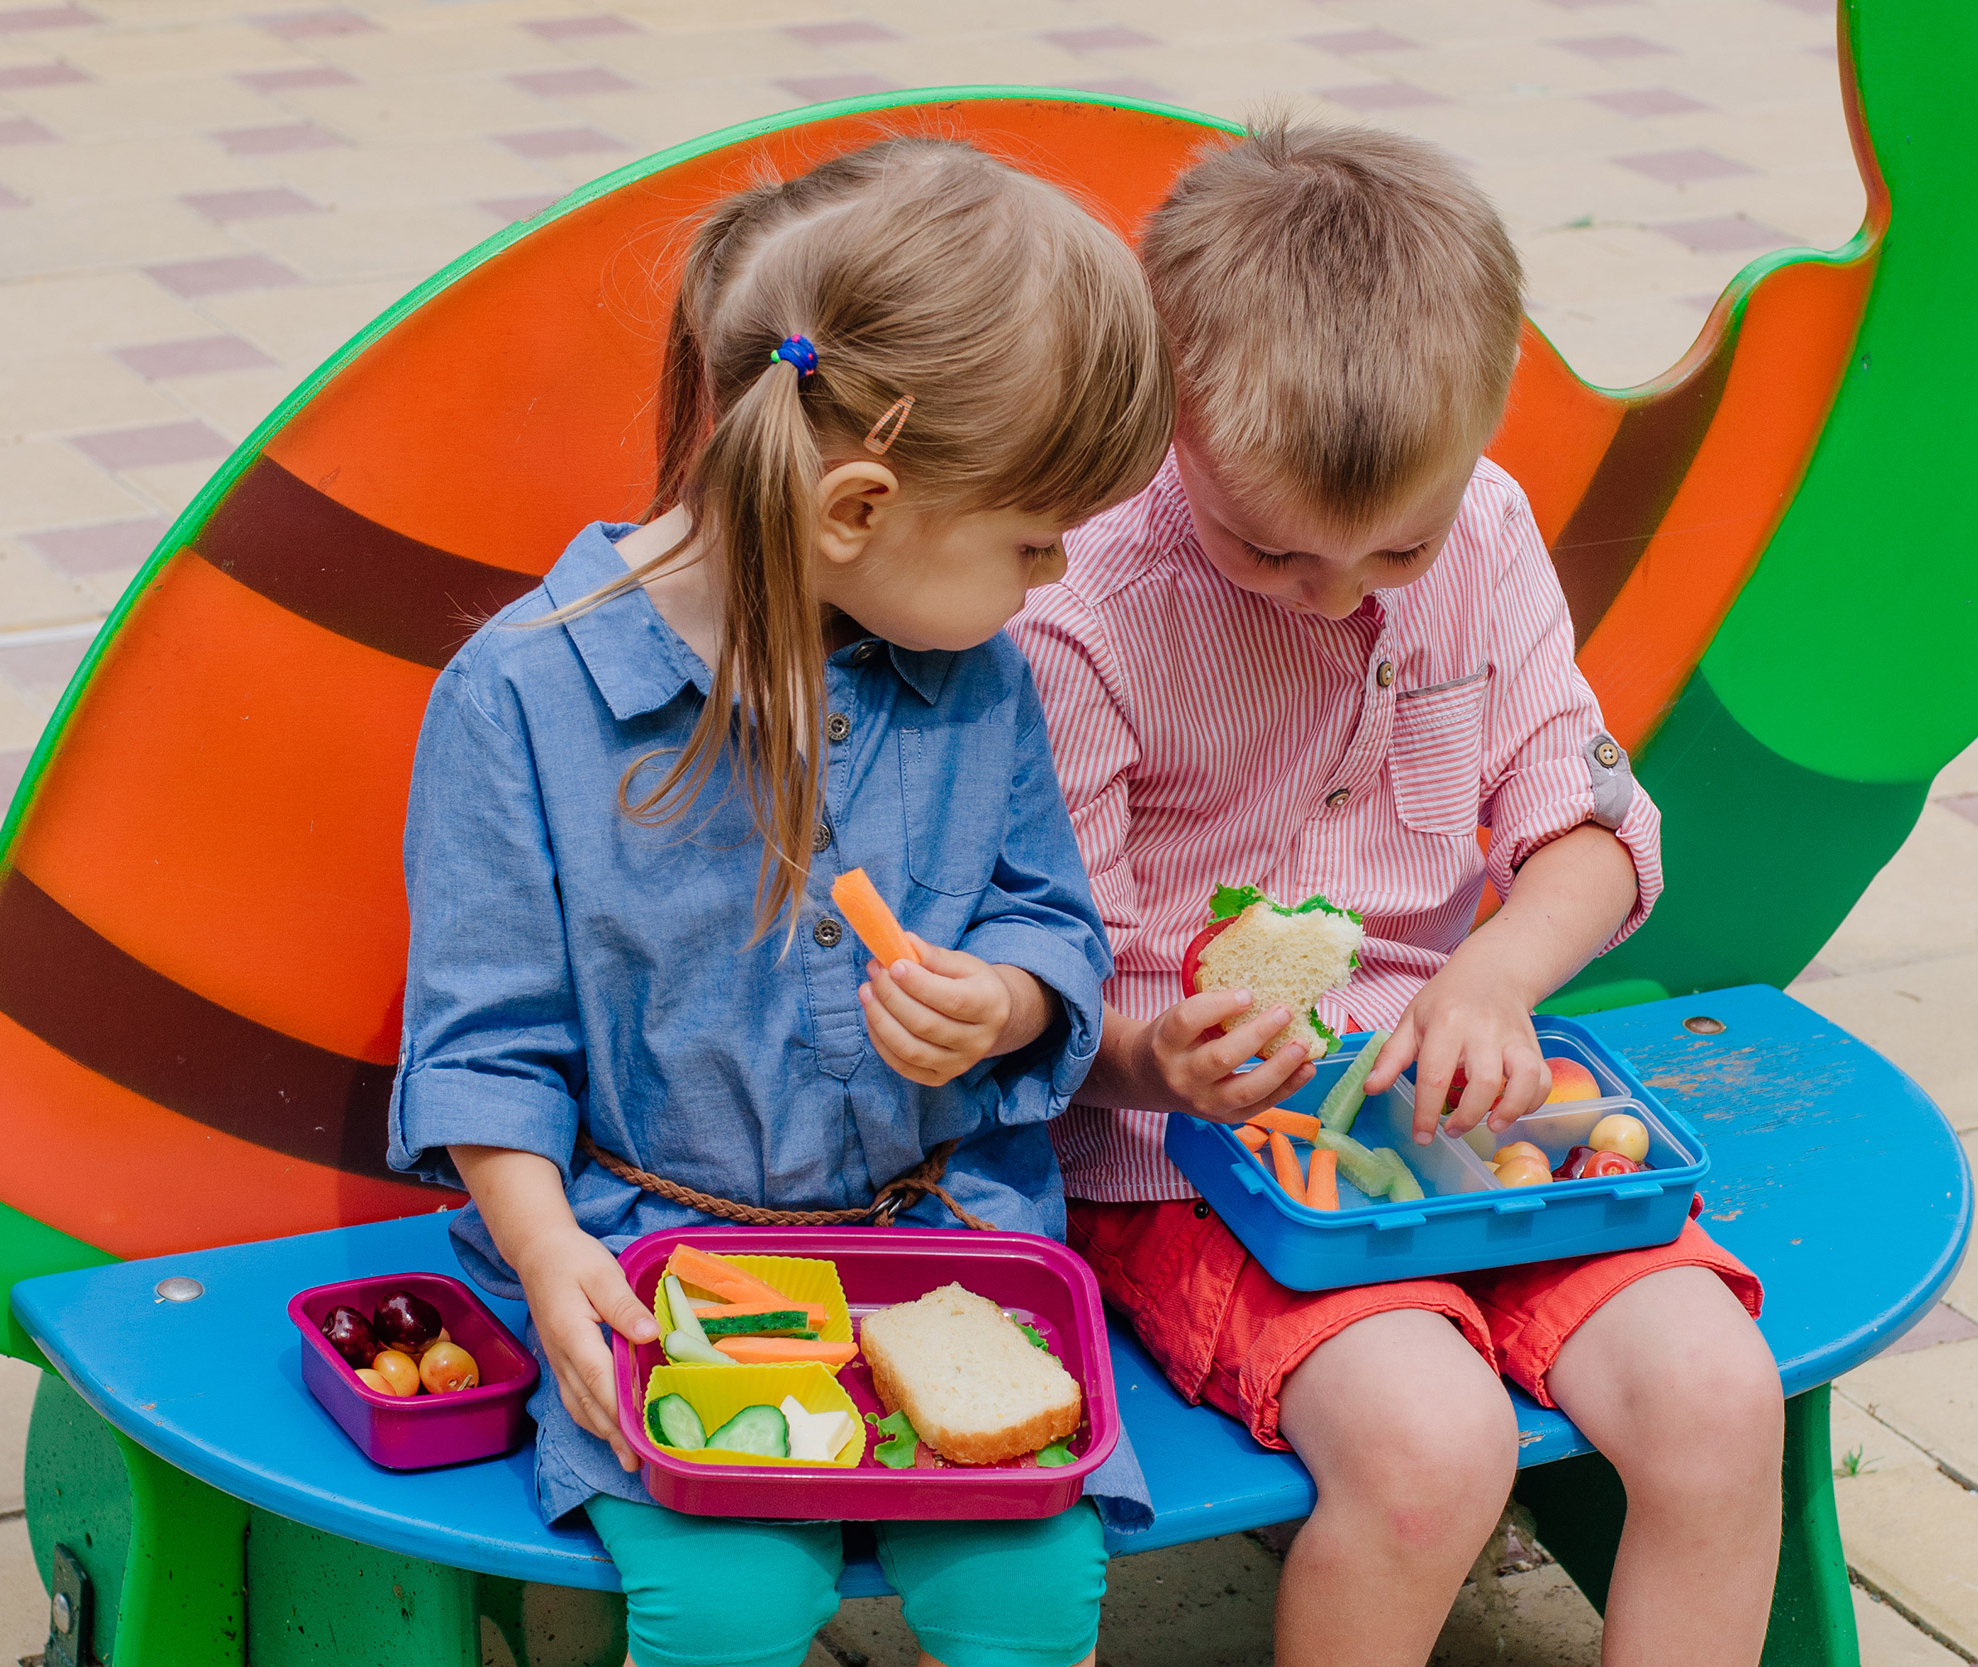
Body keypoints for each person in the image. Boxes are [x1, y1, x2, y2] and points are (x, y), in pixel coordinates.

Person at [389, 137, 1175, 1667]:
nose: (1057, 575)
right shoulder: (523, 705)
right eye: (1031, 539)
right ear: (857, 507)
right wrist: (553, 1262)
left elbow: (1046, 920)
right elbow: (488, 1046)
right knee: (731, 1603)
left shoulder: (977, 673)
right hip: (643, 1255)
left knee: (1029, 1593)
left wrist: (1006, 1002)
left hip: (943, 1241)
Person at [1010, 118, 1784, 1666]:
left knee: (1719, 1398)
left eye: (1392, 549)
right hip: (1196, 1159)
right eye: (1276, 551)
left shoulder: (1486, 533)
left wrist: (1495, 975)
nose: (1342, 592)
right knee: (1434, 1453)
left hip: (1476, 1104)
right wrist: (1149, 1055)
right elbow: (1040, 968)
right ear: (1174, 414)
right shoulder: (1084, 611)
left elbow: (1589, 829)